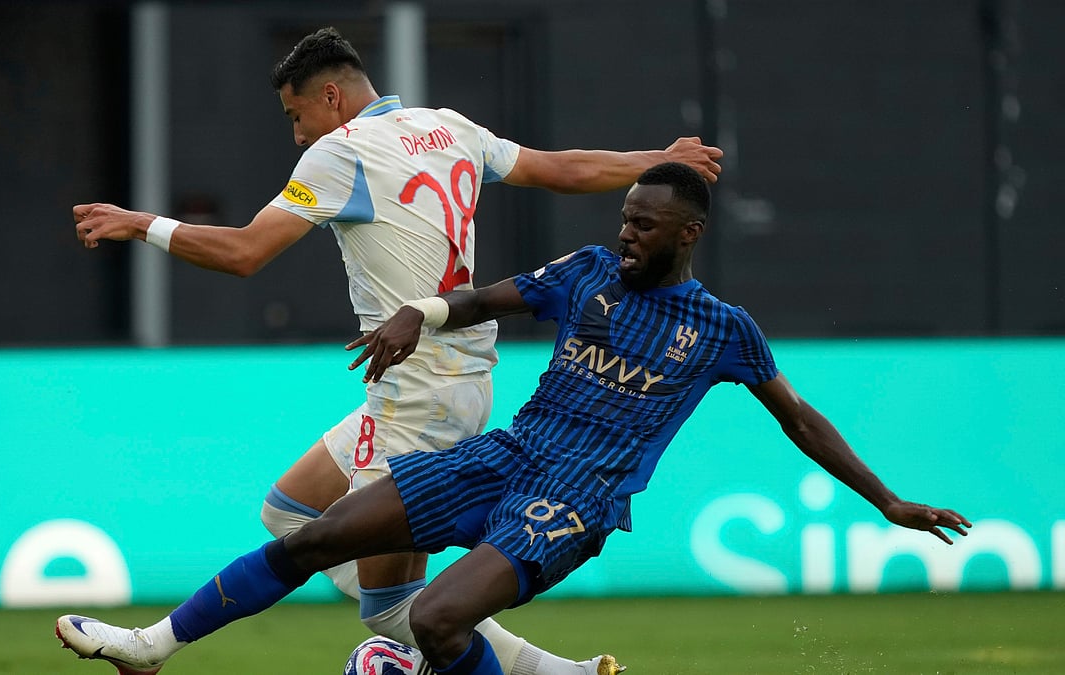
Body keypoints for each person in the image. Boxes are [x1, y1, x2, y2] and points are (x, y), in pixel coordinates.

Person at [56, 162, 971, 675]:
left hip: (575, 497)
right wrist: (426, 311)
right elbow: (495, 293)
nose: (627, 234)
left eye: (645, 225)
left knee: (435, 622)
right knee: (315, 535)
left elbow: (800, 418)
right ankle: (152, 645)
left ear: (687, 233)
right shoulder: (587, 273)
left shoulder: (723, 331)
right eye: (624, 219)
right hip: (508, 453)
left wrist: (886, 501)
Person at [71, 25, 720, 675]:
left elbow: (244, 251)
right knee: (290, 509)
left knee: (388, 609)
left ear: (331, 96)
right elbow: (561, 168)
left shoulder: (341, 153)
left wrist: (139, 224)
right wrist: (654, 160)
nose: (297, 135)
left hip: (417, 394)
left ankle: (153, 646)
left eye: (297, 117)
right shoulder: (449, 128)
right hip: (451, 382)